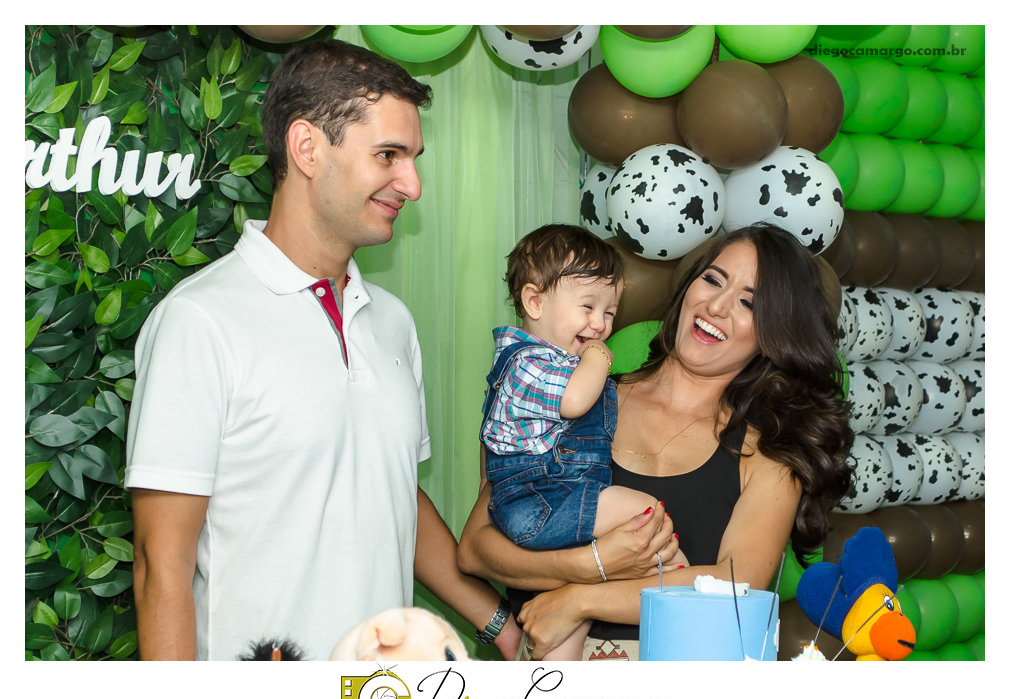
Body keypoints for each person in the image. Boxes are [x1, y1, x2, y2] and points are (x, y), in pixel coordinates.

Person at [126, 39, 521, 660]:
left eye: (414, 159)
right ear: (308, 148)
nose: (412, 184)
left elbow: (389, 493)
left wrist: (502, 623)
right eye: (388, 155)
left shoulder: (393, 321)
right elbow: (160, 565)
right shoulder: (199, 320)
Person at [458, 224, 854, 661]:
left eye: (749, 303)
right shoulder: (570, 397)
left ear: (775, 333)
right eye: (712, 280)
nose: (717, 306)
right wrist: (586, 567)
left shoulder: (772, 452)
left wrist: (578, 599)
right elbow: (476, 549)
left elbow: (736, 587)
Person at [480, 224, 688, 660]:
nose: (600, 325)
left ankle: (557, 695)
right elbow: (575, 401)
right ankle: (683, 586)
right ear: (534, 302)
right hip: (541, 502)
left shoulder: (556, 363)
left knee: (566, 631)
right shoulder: (528, 363)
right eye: (588, 307)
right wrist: (599, 355)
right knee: (644, 512)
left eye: (610, 313)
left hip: (555, 504)